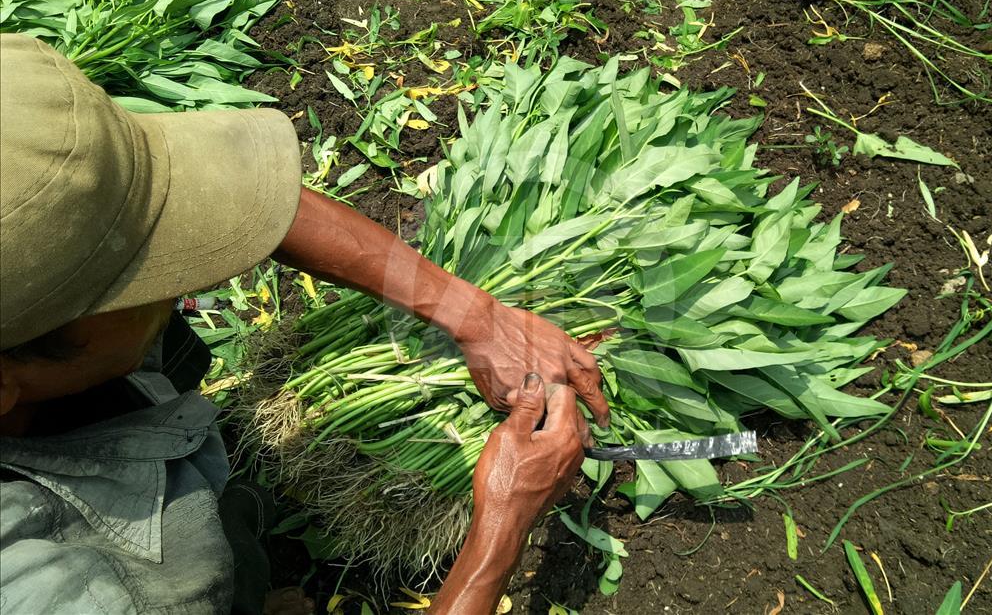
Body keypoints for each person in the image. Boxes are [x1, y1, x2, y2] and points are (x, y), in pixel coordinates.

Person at [0, 33, 605, 614]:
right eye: (142, 268)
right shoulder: (57, 583)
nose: (190, 275)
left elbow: (223, 202)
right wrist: (499, 532)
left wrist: (478, 315)